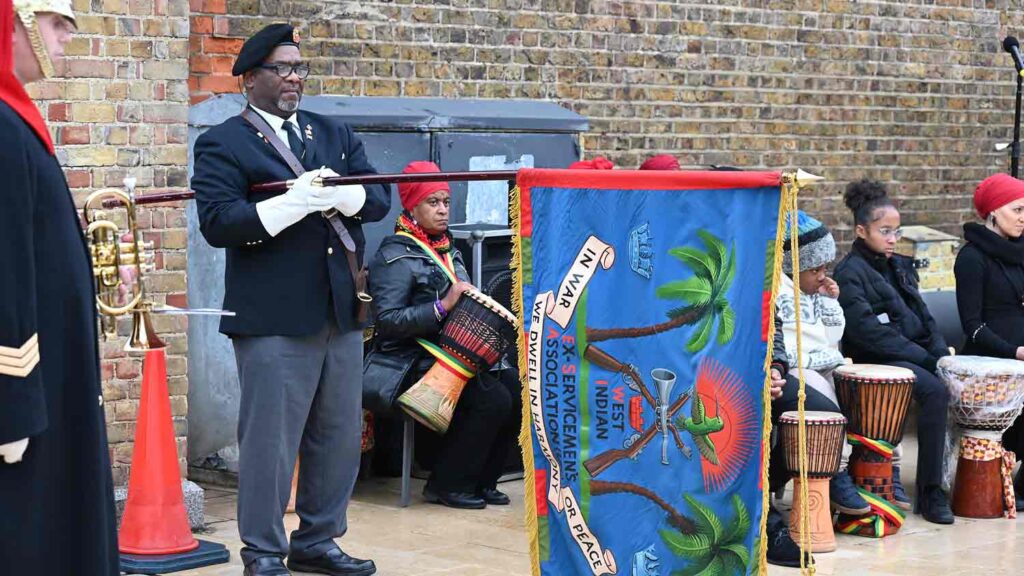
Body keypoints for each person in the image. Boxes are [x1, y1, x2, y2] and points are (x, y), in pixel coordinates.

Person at [192, 23, 390, 576]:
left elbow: (378, 195)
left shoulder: (333, 132)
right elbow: (219, 223)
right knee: (271, 444)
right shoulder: (223, 142)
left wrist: (348, 193)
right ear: (250, 78)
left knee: (338, 436)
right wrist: (292, 204)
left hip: (340, 309)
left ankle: (319, 540)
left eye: (299, 68)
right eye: (282, 68)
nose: (294, 78)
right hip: (275, 318)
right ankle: (262, 549)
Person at [0, 0, 119, 573]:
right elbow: (6, 270)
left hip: (56, 373)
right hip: (32, 387)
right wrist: (12, 404)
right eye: (56, 24)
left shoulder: (16, 117)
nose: (67, 38)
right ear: (15, 25)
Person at [367, 160, 520, 509]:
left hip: (448, 352)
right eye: (432, 202)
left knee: (514, 385)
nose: (442, 210)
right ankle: (447, 484)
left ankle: (482, 481)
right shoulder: (394, 255)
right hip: (405, 359)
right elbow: (388, 321)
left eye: (445, 202)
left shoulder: (447, 248)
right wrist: (441, 307)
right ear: (412, 207)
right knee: (490, 398)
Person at [833, 178, 954, 524]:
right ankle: (931, 494)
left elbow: (924, 316)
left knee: (948, 382)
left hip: (913, 355)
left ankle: (945, 481)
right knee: (934, 391)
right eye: (884, 231)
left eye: (896, 232)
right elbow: (871, 335)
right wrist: (929, 361)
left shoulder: (899, 266)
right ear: (861, 230)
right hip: (878, 359)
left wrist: (940, 352)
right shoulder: (849, 274)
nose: (892, 239)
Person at [775, 211, 873, 516]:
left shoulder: (814, 293)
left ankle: (871, 466)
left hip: (822, 360)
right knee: (821, 394)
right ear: (793, 268)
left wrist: (831, 301)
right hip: (796, 365)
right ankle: (836, 472)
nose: (822, 275)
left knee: (856, 389)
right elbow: (787, 346)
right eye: (815, 269)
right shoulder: (780, 293)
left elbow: (832, 338)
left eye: (825, 268)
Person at [954, 172, 1024, 509]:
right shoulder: (971, 258)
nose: (1023, 218)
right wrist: (1015, 351)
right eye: (1018, 210)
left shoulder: (1021, 252)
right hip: (992, 359)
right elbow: (973, 326)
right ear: (994, 212)